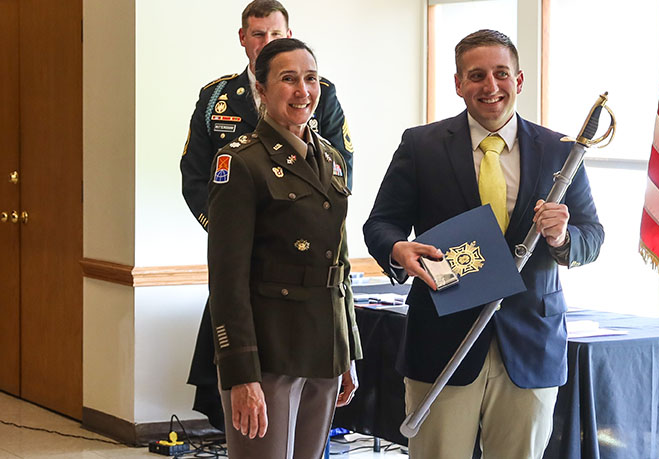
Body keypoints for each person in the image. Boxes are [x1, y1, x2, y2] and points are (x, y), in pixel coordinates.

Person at [363, 29, 604, 459]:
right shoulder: (421, 146)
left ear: (519, 79)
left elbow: (592, 236)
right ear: (458, 83)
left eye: (501, 74)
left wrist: (563, 237)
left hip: (530, 344)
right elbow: (381, 224)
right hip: (440, 340)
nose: (490, 87)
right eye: (476, 75)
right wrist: (399, 250)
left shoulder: (560, 150)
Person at [181, 0, 355, 430]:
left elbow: (334, 221)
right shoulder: (219, 101)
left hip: (321, 321)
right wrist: (230, 231)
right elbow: (195, 179)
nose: (303, 91)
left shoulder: (326, 121)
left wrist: (348, 347)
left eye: (309, 79)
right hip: (264, 304)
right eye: (258, 35)